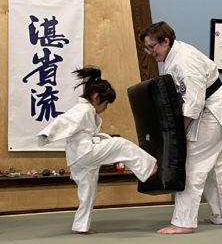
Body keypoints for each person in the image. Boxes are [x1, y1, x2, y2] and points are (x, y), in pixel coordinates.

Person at [139, 21, 222, 234]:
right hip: (217, 108)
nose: (150, 52)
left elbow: (193, 105)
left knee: (193, 164)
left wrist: (176, 135)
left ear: (165, 41)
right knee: (216, 167)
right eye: (147, 48)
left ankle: (183, 222)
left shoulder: (185, 62)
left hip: (214, 112)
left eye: (152, 47)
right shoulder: (174, 56)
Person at [38, 66, 157, 234]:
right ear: (95, 97)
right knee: (121, 144)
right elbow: (64, 121)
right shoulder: (83, 109)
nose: (106, 107)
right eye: (106, 103)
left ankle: (81, 226)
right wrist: (47, 134)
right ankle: (147, 167)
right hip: (85, 152)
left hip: (78, 159)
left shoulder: (87, 110)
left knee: (88, 193)